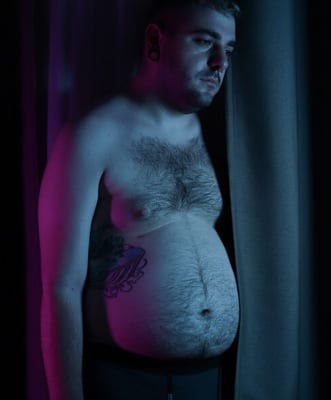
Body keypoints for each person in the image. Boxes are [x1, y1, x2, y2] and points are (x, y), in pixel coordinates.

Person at [38, 1, 240, 399]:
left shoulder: (217, 136)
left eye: (228, 49)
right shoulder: (93, 134)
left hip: (206, 379)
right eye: (204, 41)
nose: (220, 62)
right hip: (125, 380)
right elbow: (61, 288)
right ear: (154, 40)